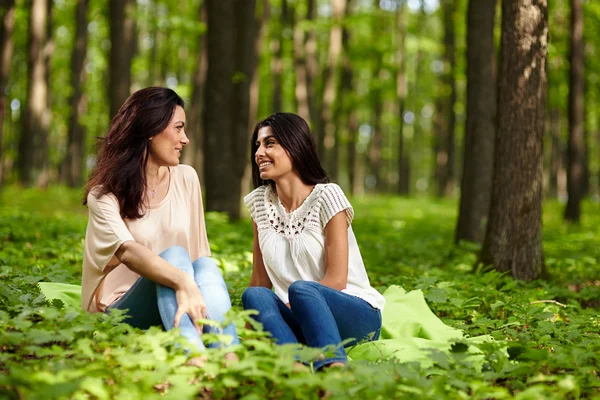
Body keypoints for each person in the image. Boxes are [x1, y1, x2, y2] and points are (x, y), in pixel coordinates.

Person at [81, 87, 239, 356]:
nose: (185, 139)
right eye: (178, 128)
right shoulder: (104, 195)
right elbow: (127, 252)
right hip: (121, 311)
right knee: (175, 256)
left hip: (179, 297)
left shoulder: (186, 178)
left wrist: (190, 284)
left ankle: (230, 356)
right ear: (151, 130)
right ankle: (194, 359)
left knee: (204, 265)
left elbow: (199, 256)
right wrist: (182, 281)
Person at [241, 113, 385, 369]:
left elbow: (337, 280)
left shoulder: (327, 196)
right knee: (254, 294)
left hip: (353, 313)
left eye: (270, 143)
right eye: (258, 145)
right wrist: (252, 331)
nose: (259, 153)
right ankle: (296, 367)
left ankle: (334, 369)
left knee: (301, 289)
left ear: (295, 146)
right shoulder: (259, 204)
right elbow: (260, 281)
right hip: (299, 317)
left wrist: (291, 303)